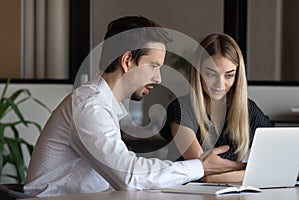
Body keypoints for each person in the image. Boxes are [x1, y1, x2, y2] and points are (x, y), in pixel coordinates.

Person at [24, 17, 245, 197]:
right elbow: (128, 175)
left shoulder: (102, 104)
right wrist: (199, 166)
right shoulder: (90, 107)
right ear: (127, 60)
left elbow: (127, 171)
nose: (158, 78)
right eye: (153, 66)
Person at [160, 33, 271, 183]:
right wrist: (249, 169)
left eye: (229, 75)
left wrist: (224, 175)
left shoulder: (247, 109)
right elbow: (201, 170)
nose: (220, 84)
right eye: (211, 74)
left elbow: (273, 160)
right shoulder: (181, 109)